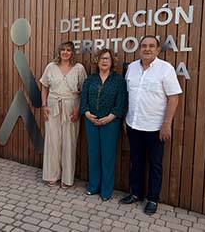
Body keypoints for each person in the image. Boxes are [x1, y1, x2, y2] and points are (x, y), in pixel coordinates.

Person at [119, 35, 182, 215]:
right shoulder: (131, 68)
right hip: (134, 125)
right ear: (139, 49)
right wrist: (125, 119)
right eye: (144, 46)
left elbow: (174, 97)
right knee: (136, 162)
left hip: (155, 128)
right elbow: (128, 96)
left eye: (151, 46)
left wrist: (167, 123)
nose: (147, 49)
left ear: (157, 50)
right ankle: (135, 193)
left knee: (155, 165)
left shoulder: (165, 69)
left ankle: (153, 199)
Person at [80, 48, 127, 201]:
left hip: (110, 123)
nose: (104, 61)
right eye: (101, 58)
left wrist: (110, 117)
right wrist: (87, 113)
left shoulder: (118, 80)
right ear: (97, 61)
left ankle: (106, 190)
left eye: (107, 58)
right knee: (93, 154)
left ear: (112, 61)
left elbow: (121, 102)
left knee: (107, 156)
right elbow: (83, 100)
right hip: (91, 121)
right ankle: (93, 186)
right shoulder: (91, 79)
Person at [40, 41, 87, 188]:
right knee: (52, 141)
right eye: (63, 50)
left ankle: (67, 179)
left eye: (68, 50)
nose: (65, 52)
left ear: (72, 52)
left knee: (69, 142)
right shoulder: (51, 67)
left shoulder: (79, 68)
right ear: (59, 51)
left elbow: (84, 90)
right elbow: (44, 86)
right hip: (53, 105)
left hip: (71, 106)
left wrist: (78, 109)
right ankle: (52, 176)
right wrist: (44, 106)